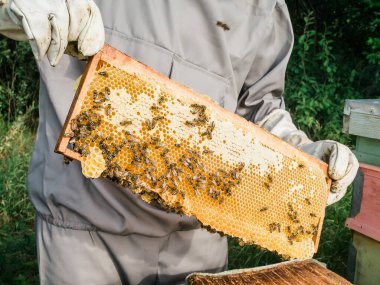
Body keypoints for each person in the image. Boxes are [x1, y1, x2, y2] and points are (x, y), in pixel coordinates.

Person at [0, 0, 359, 284]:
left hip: (196, 239)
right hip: (85, 227)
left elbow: (259, 107)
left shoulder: (263, 7)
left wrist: (302, 158)